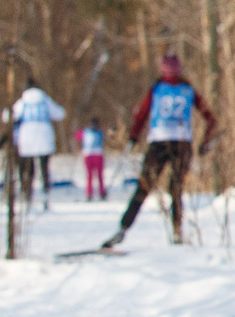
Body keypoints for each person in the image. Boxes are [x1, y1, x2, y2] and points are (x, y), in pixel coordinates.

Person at [105, 54, 217, 246]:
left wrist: (133, 137)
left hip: (159, 142)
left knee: (145, 186)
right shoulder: (188, 90)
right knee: (176, 189)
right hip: (182, 144)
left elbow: (141, 115)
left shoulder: (157, 89)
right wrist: (205, 142)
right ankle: (176, 231)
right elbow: (210, 118)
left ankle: (124, 228)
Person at [4, 78, 66, 212]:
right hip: (44, 137)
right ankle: (45, 194)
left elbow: (8, 116)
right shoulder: (45, 100)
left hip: (26, 139)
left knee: (28, 170)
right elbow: (60, 114)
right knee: (44, 169)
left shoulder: (23, 101)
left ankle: (27, 194)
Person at [80, 118, 108, 200]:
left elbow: (77, 136)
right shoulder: (98, 132)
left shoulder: (88, 132)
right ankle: (93, 193)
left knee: (94, 175)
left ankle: (95, 193)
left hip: (93, 154)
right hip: (93, 154)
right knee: (93, 175)